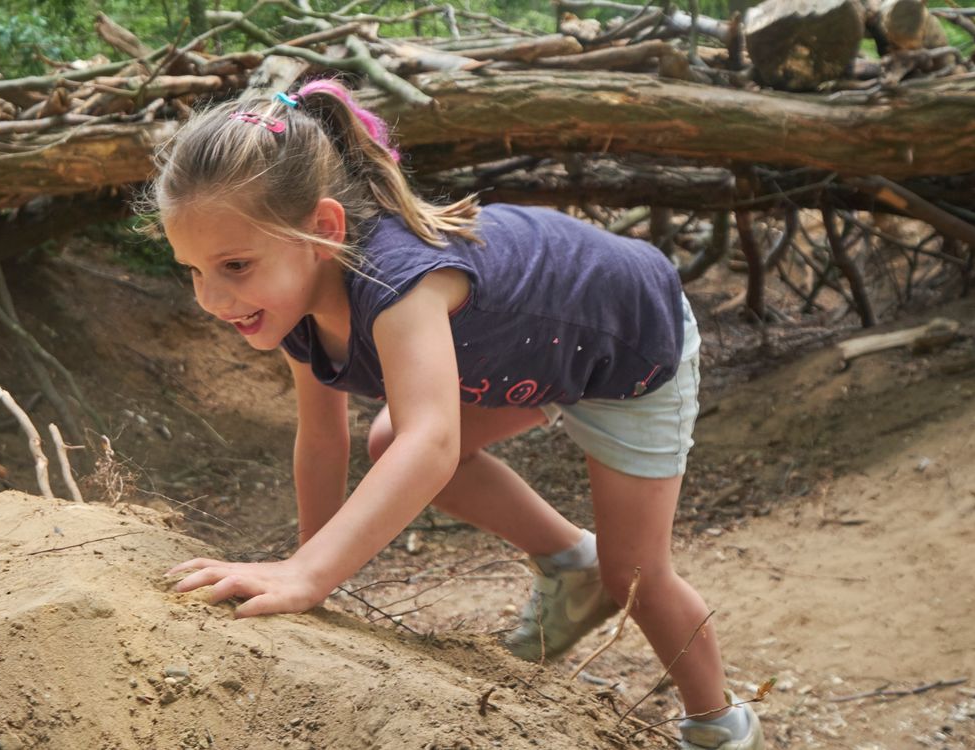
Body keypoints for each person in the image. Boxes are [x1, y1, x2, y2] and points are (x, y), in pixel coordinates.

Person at [154, 79, 763, 750]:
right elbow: (324, 438)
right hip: (527, 353)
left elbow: (435, 442)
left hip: (626, 341)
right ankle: (569, 564)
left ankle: (721, 729)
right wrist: (311, 573)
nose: (211, 298)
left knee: (636, 576)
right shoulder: (291, 303)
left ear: (322, 231)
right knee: (390, 438)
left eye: (234, 265)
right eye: (193, 270)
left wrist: (305, 575)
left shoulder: (396, 283)